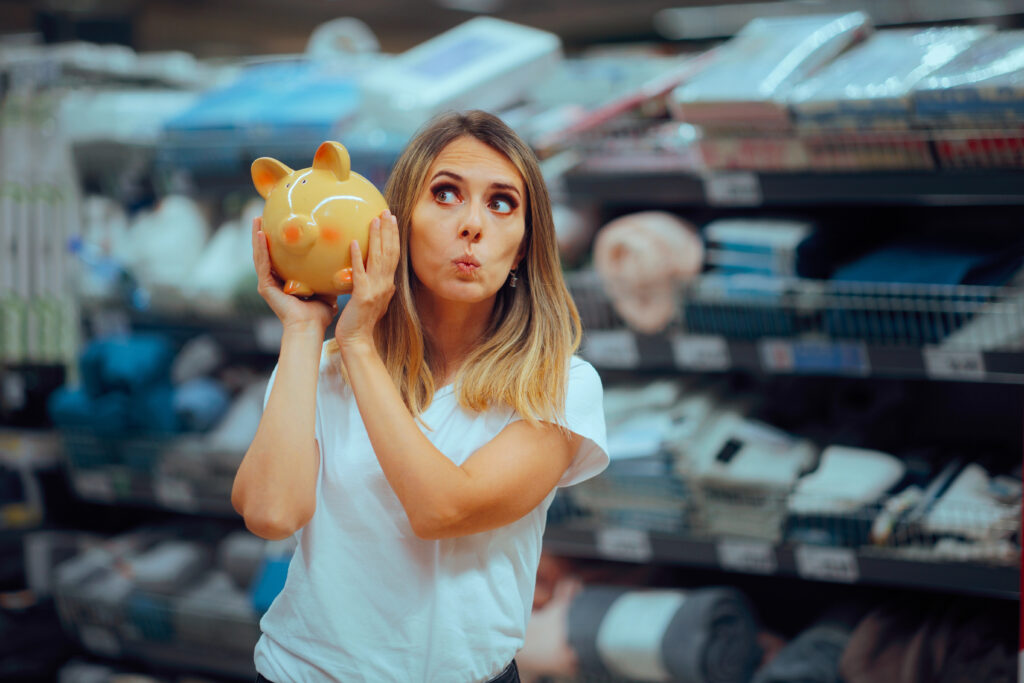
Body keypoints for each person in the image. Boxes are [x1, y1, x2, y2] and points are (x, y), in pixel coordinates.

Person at [232, 110, 609, 683]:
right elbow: (270, 514)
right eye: (446, 194)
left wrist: (355, 340)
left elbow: (443, 509)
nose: (473, 225)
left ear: (526, 247)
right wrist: (305, 330)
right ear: (397, 222)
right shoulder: (319, 366)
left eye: (502, 203)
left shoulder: (559, 385)